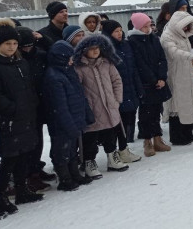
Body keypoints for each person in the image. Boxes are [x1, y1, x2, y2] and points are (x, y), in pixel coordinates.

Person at [0, 19, 45, 214]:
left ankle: (22, 190)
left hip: (27, 117)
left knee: (24, 156)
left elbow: (28, 87)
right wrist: (11, 110)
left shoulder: (21, 62)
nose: (11, 47)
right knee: (9, 159)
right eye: (7, 44)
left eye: (14, 44)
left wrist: (32, 105)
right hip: (9, 120)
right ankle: (1, 196)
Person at [74, 34, 129, 177]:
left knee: (110, 135)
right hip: (92, 109)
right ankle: (89, 162)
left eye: (97, 48)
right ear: (83, 50)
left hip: (110, 107)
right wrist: (84, 107)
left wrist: (117, 100)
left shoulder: (107, 63)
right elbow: (77, 89)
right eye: (91, 49)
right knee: (90, 139)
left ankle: (112, 157)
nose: (95, 51)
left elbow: (117, 81)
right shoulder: (79, 67)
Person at [42, 41, 94, 192]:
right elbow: (60, 106)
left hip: (74, 118)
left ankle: (75, 174)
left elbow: (79, 94)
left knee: (71, 149)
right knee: (61, 151)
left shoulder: (68, 71)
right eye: (69, 57)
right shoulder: (54, 77)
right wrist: (69, 125)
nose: (72, 60)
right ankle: (65, 178)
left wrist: (86, 114)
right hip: (62, 123)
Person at [126, 13, 172, 157]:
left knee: (157, 111)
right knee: (146, 114)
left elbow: (162, 58)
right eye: (144, 27)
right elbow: (140, 64)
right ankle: (147, 141)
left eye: (149, 26)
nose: (148, 29)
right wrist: (153, 79)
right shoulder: (133, 41)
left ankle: (158, 138)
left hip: (159, 81)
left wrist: (162, 77)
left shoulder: (154, 39)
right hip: (145, 84)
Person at [16, 26, 55, 193]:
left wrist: (43, 39)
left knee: (38, 140)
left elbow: (55, 51)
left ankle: (35, 170)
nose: (27, 49)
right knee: (27, 143)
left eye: (30, 45)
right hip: (24, 107)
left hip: (40, 103)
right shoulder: (16, 60)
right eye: (23, 46)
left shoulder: (39, 54)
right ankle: (27, 175)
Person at [101, 20, 142, 164]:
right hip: (115, 92)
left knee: (127, 120)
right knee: (116, 124)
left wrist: (138, 88)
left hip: (130, 88)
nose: (119, 33)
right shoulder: (105, 49)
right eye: (115, 31)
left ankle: (124, 149)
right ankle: (116, 152)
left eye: (120, 30)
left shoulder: (126, 45)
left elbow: (134, 68)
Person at [160, 11, 193, 145]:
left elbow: (186, 53)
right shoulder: (167, 36)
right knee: (176, 106)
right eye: (185, 25)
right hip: (175, 74)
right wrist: (191, 57)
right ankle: (177, 136)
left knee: (187, 103)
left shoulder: (183, 36)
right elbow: (174, 52)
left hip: (186, 73)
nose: (186, 28)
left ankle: (187, 132)